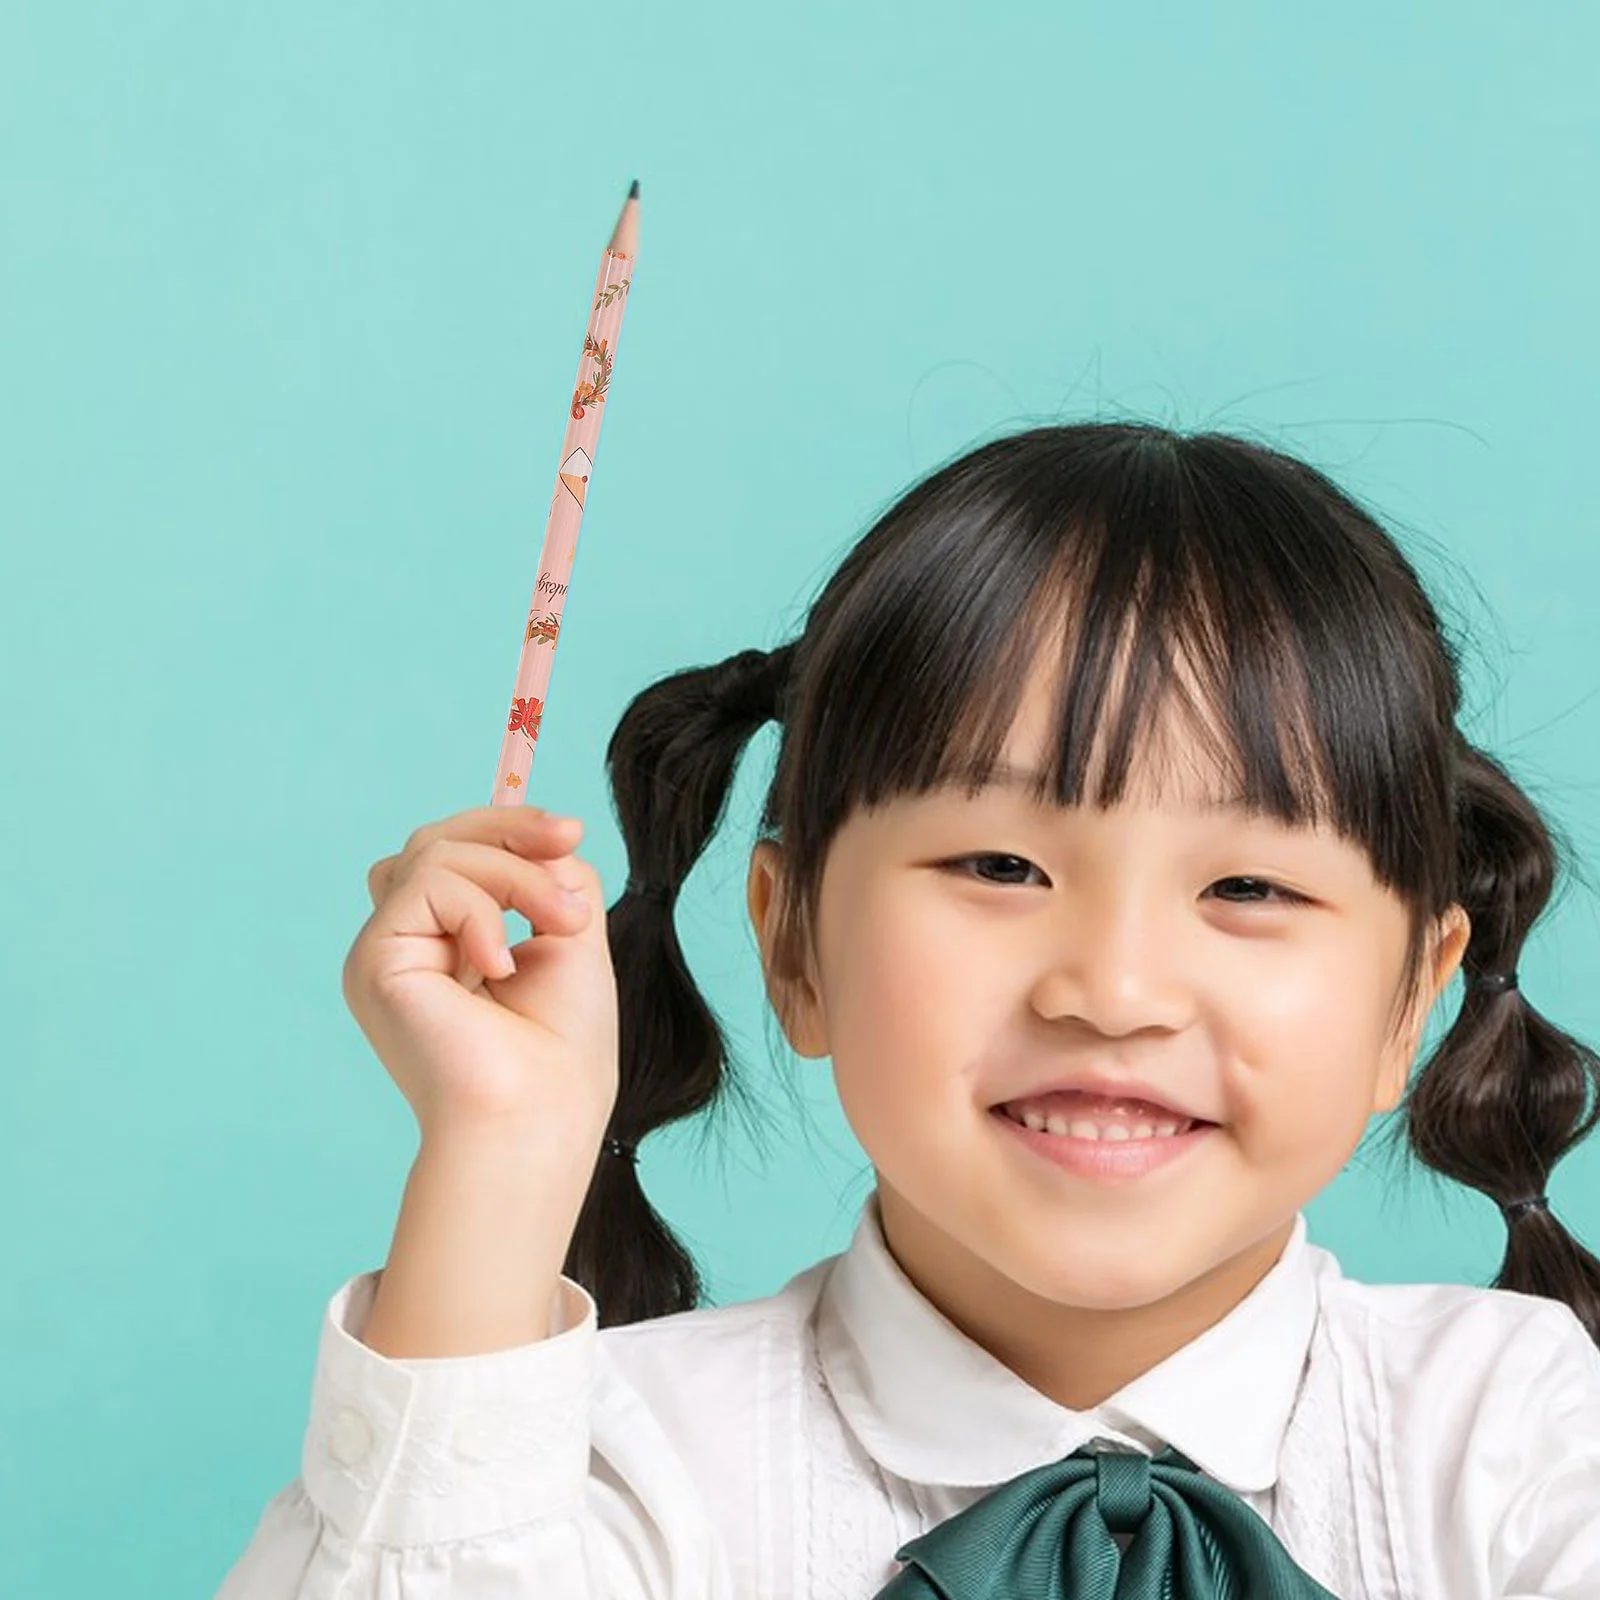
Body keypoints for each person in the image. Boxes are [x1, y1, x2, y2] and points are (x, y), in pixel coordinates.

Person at [213, 423, 1600, 1598]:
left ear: (1411, 998)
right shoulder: (607, 1470)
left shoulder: (1526, 1441)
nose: (1112, 992)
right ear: (794, 947)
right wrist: (501, 1156)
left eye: (1246, 883)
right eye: (1001, 866)